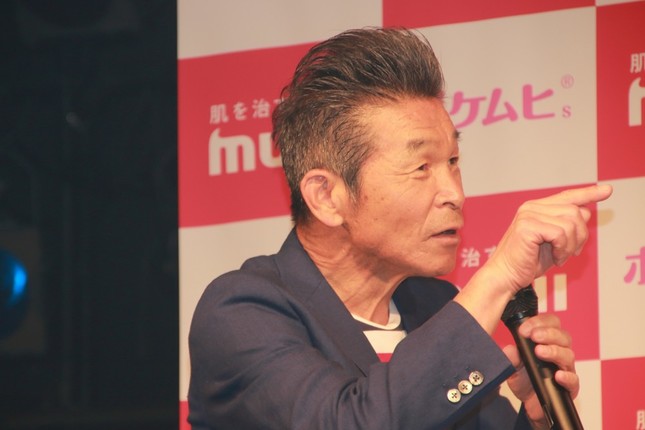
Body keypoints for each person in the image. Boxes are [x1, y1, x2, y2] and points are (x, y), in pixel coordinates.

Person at [187, 27, 612, 429]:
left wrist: (536, 418)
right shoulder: (242, 312)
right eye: (421, 167)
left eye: (453, 162)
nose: (455, 193)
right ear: (327, 196)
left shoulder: (434, 307)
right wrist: (497, 277)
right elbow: (348, 422)